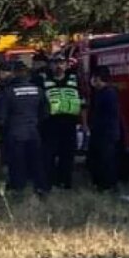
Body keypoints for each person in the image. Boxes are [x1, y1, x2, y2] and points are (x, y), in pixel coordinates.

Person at [0, 60, 50, 198]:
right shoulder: (38, 90)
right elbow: (46, 113)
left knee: (17, 163)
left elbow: (0, 116)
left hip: (14, 133)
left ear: (14, 75)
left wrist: (5, 125)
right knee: (36, 162)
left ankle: (18, 189)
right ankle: (41, 189)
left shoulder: (8, 92)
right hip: (33, 132)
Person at [40, 55, 83, 190]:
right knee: (49, 155)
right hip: (50, 123)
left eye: (62, 63)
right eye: (56, 63)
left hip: (69, 123)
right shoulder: (44, 81)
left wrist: (84, 124)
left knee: (68, 155)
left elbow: (83, 102)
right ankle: (50, 182)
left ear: (66, 65)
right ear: (50, 65)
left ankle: (65, 182)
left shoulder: (75, 80)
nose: (59, 66)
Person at [88, 66, 123, 191]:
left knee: (106, 161)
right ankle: (103, 184)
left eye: (93, 78)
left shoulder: (108, 93)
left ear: (97, 78)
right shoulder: (104, 93)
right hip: (104, 132)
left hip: (106, 133)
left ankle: (107, 185)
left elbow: (105, 115)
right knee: (100, 160)